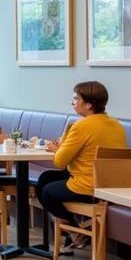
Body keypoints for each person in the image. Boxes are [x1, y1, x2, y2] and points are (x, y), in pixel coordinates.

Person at [40, 80, 126, 249]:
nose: (72, 103)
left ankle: (75, 231)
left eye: (76, 99)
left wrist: (58, 149)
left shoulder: (81, 126)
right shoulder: (117, 125)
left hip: (87, 186)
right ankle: (76, 232)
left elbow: (60, 162)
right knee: (46, 178)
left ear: (88, 104)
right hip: (109, 185)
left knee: (46, 191)